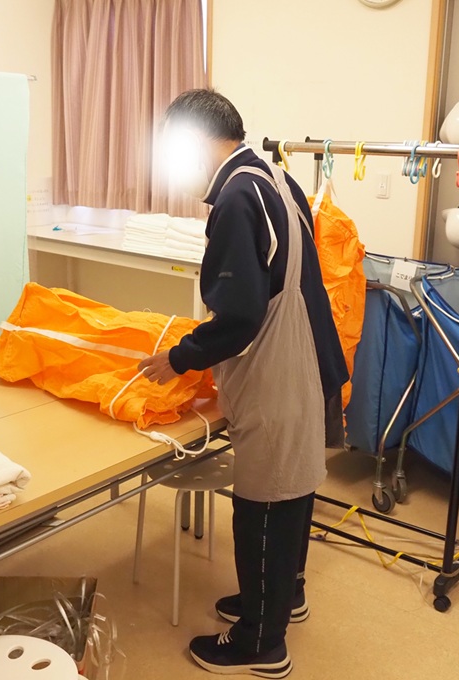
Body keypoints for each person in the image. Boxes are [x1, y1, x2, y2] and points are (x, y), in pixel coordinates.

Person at [138, 88, 348, 678]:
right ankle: (282, 598)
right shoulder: (275, 178)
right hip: (311, 356)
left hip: (280, 369)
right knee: (294, 491)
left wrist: (179, 358)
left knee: (264, 503)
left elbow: (238, 315)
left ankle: (260, 642)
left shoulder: (234, 198)